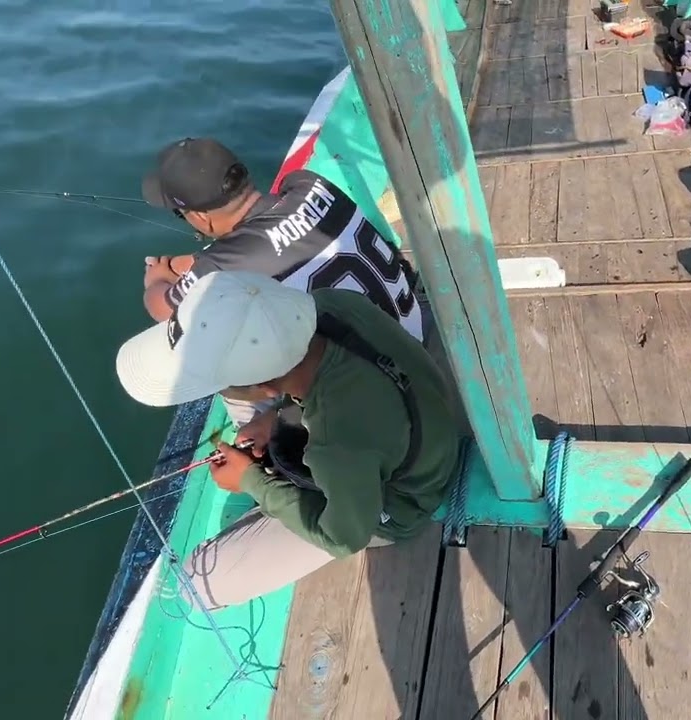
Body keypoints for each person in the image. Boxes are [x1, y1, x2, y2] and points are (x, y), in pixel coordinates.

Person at [115, 269, 461, 609]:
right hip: (418, 417)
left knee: (197, 582)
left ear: (265, 387)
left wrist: (253, 482)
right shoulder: (331, 304)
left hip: (405, 502)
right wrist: (275, 415)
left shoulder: (336, 446)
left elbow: (343, 538)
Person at [136, 136, 425, 434]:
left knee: (228, 376)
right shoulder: (308, 184)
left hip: (386, 382)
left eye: (179, 214)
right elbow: (261, 241)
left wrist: (157, 276)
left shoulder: (224, 266)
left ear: (198, 217)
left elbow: (164, 310)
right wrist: (195, 264)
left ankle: (267, 436)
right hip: (411, 330)